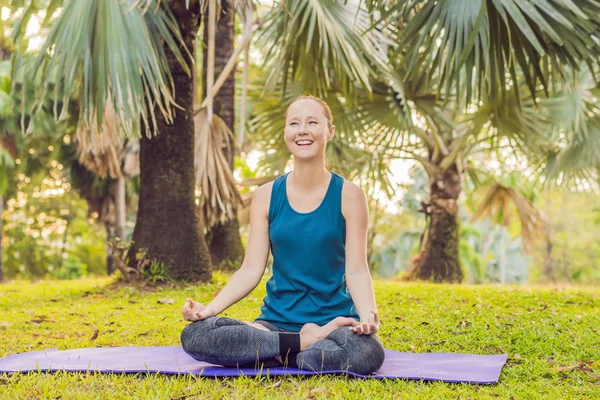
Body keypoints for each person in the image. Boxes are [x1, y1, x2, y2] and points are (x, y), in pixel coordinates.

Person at [180, 95, 385, 375]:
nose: (302, 130)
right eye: (294, 123)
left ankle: (281, 354)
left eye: (312, 122)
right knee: (196, 334)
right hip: (274, 325)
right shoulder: (266, 195)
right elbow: (251, 268)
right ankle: (302, 345)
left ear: (330, 131)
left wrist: (367, 316)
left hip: (334, 326)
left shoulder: (350, 195)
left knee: (367, 352)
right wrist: (209, 310)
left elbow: (358, 270)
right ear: (286, 133)